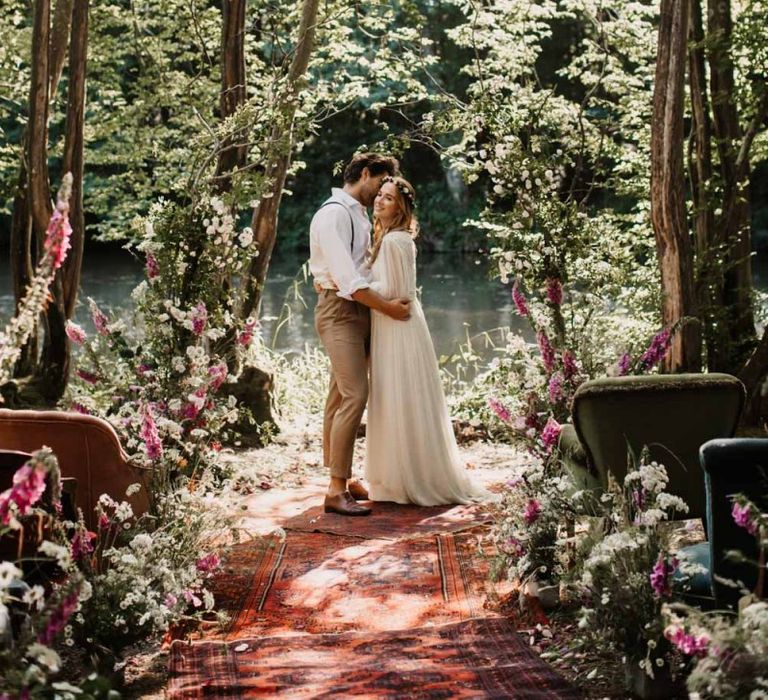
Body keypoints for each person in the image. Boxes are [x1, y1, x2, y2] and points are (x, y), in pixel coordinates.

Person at [365, 176, 490, 505]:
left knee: (399, 395)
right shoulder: (394, 238)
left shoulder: (394, 242)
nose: (379, 201)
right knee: (401, 396)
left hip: (396, 325)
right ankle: (400, 475)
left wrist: (353, 285)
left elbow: (396, 293)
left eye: (388, 198)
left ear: (401, 207)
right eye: (379, 194)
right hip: (395, 324)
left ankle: (404, 479)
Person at [309, 153, 411, 516]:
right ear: (365, 174)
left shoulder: (357, 213)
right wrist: (392, 309)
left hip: (358, 310)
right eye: (380, 182)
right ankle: (336, 491)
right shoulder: (334, 214)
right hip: (339, 310)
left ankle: (343, 476)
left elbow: (363, 267)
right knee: (355, 394)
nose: (380, 192)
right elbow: (349, 282)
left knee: (339, 396)